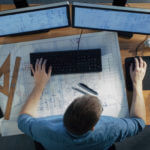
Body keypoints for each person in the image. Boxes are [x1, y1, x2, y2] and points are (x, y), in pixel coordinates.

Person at [18, 57, 147, 150]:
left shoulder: (43, 128)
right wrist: (137, 82)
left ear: (65, 114)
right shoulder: (111, 128)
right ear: (92, 127)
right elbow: (139, 123)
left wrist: (39, 85)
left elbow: (23, 119)